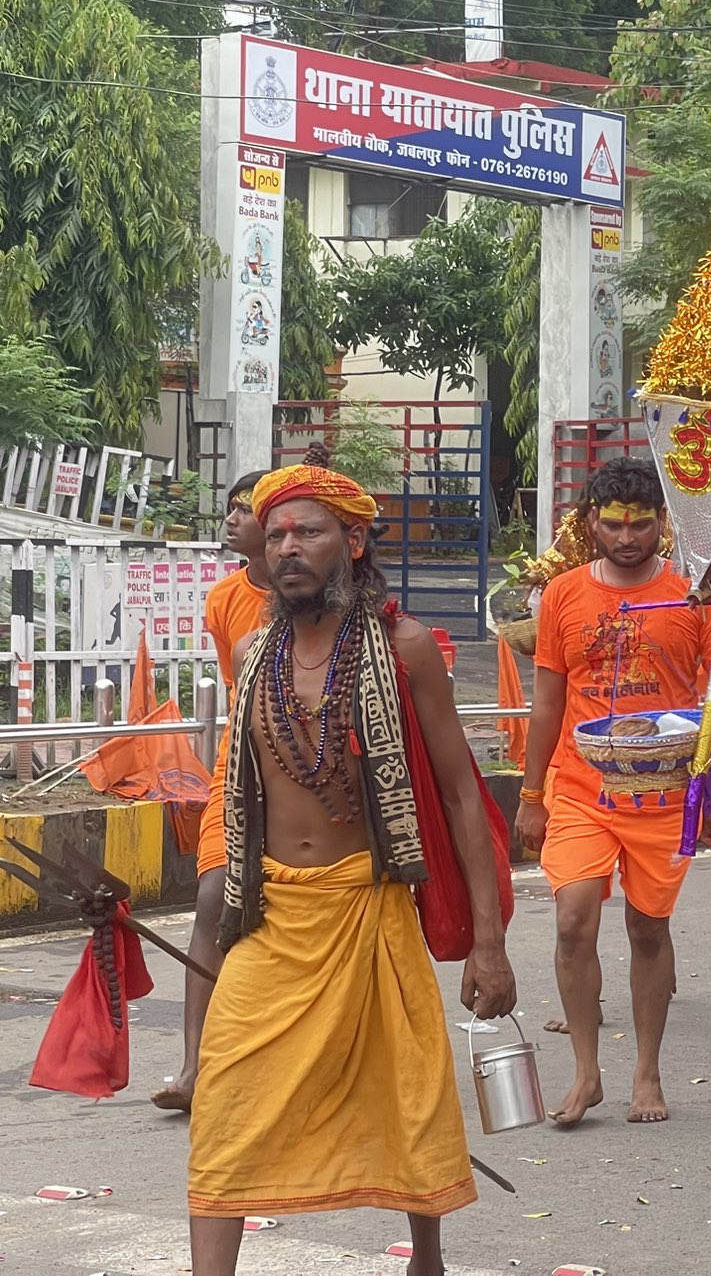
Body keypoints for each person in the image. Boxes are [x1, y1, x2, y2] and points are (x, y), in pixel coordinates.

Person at [188, 465, 516, 1276]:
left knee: (406, 1092)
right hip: (270, 918)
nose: (288, 547)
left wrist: (489, 941)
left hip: (370, 906)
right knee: (226, 1101)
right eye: (276, 536)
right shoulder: (250, 652)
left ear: (355, 542)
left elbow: (460, 798)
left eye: (309, 531)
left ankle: (426, 1259)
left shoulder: (404, 648)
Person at [517, 457, 711, 1126]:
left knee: (647, 928)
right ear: (590, 524)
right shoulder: (564, 596)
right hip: (580, 787)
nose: (627, 538)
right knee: (574, 921)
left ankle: (648, 1072)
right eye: (613, 524)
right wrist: (531, 792)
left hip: (661, 793)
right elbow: (547, 702)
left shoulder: (694, 595)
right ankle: (585, 1072)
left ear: (661, 522)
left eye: (640, 525)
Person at [152, 469, 267, 1116]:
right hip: (237, 764)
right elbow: (237, 690)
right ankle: (194, 1066)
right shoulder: (224, 600)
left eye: (244, 510)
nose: (231, 520)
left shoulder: (327, 596)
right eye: (229, 510)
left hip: (307, 774)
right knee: (210, 899)